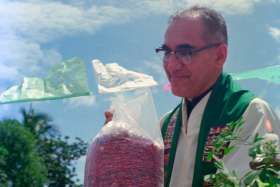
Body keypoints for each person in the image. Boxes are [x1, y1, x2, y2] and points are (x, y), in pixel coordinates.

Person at [105, 5, 280, 187]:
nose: (171, 65)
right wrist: (121, 153)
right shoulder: (165, 126)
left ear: (220, 55)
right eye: (166, 52)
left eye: (185, 52)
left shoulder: (250, 113)